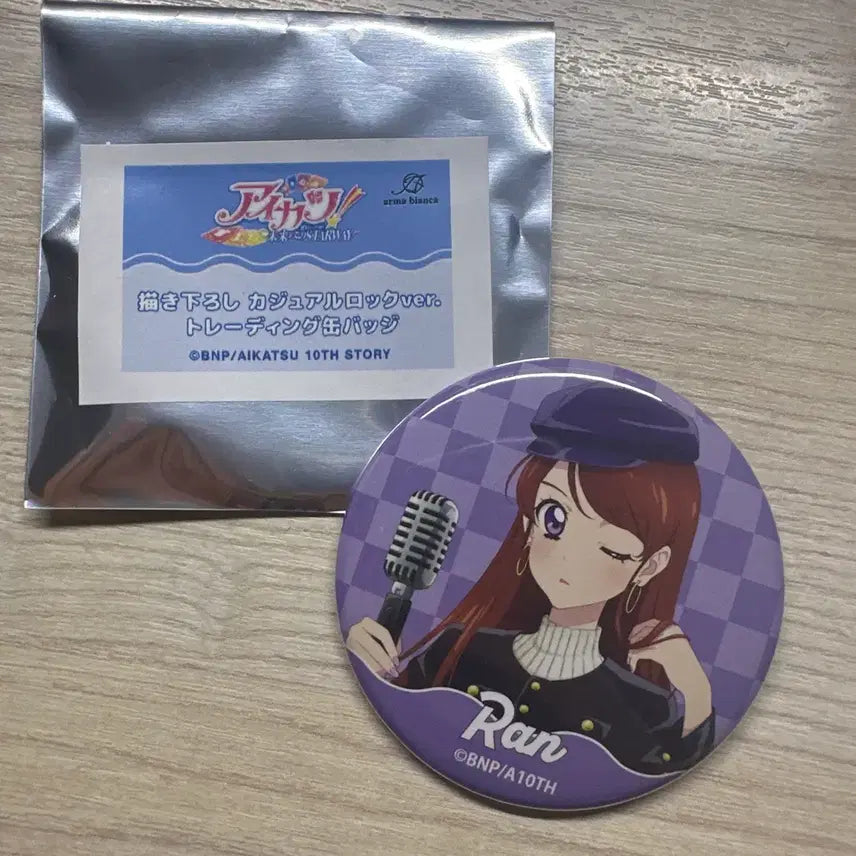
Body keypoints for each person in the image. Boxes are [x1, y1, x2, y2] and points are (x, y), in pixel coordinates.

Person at [346, 382, 715, 774]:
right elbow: (406, 723)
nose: (569, 558)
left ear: (650, 566)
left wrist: (697, 696)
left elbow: (656, 772)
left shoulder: (642, 704)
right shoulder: (458, 649)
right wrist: (374, 672)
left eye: (611, 548)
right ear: (528, 523)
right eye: (554, 519)